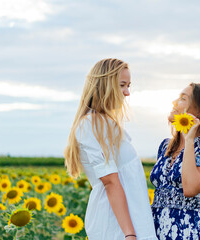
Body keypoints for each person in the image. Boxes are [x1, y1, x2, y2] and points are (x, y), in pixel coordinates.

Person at [64, 58, 157, 240]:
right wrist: (129, 234)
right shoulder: (91, 125)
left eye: (129, 85)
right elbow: (110, 182)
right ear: (105, 85)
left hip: (130, 221)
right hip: (116, 225)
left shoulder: (106, 124)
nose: (127, 92)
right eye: (122, 85)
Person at [150, 83, 200, 240]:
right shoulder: (166, 146)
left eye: (182, 98)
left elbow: (190, 188)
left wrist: (189, 140)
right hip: (154, 230)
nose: (174, 102)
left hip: (185, 231)